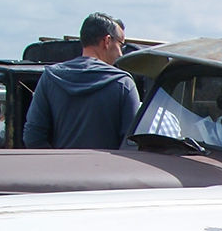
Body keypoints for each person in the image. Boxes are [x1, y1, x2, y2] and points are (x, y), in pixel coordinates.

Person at [23, 12, 140, 149]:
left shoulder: (49, 78)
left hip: (60, 168)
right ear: (107, 41)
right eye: (121, 45)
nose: (121, 53)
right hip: (106, 169)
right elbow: (131, 143)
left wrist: (56, 164)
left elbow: (32, 136)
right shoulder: (123, 84)